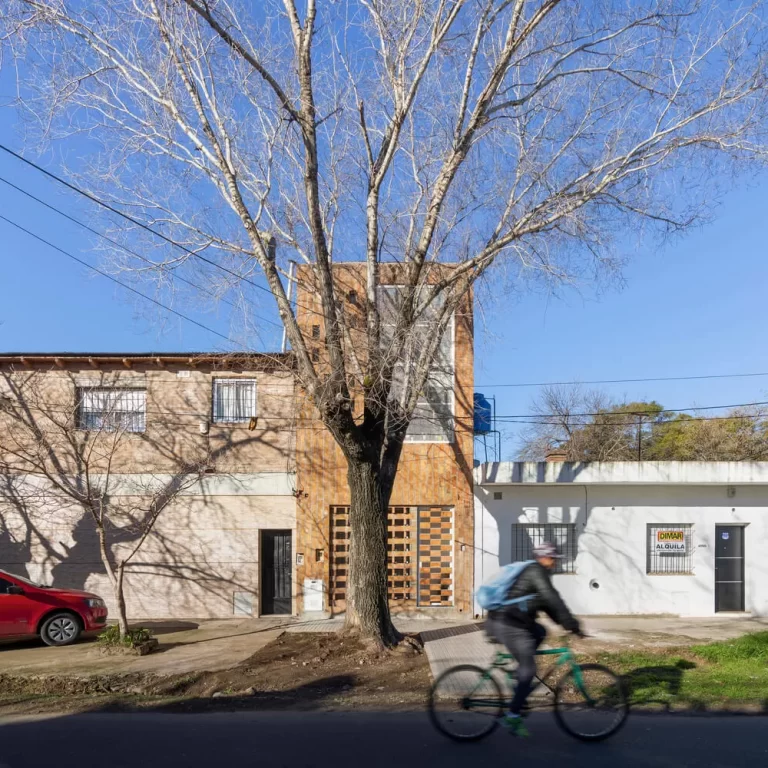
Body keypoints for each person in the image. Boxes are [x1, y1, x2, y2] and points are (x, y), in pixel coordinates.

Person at [485, 542, 583, 737]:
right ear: (544, 557)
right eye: (553, 558)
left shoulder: (538, 573)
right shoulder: (536, 571)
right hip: (508, 624)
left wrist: (566, 624)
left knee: (540, 631)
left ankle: (518, 675)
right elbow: (552, 598)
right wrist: (572, 624)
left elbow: (547, 605)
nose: (555, 562)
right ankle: (512, 716)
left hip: (514, 621)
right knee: (530, 670)